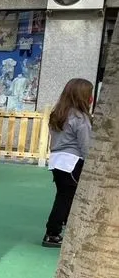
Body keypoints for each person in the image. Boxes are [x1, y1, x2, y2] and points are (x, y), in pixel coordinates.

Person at [42, 78, 93, 248]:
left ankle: (58, 229)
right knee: (66, 198)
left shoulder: (59, 114)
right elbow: (86, 145)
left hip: (57, 160)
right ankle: (53, 233)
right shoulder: (80, 117)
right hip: (73, 161)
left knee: (63, 196)